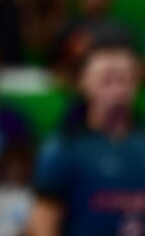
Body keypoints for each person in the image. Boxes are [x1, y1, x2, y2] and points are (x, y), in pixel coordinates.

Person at [29, 32, 145, 236]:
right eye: (107, 80)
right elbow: (43, 221)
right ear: (84, 82)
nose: (117, 90)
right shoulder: (63, 148)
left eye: (123, 79)